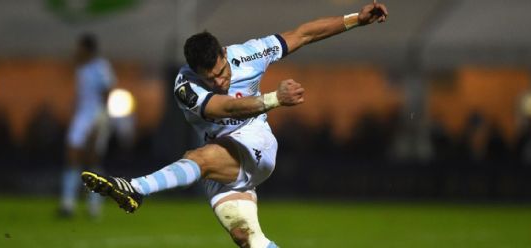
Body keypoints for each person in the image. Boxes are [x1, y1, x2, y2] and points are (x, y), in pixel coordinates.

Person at [82, 2, 388, 247]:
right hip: (222, 160)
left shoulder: (249, 54)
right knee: (248, 238)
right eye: (210, 78)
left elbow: (303, 34)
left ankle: (135, 187)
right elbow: (224, 107)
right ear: (194, 71)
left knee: (197, 158)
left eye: (221, 71)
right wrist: (273, 98)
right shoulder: (184, 85)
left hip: (255, 143)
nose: (219, 80)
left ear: (225, 54)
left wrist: (356, 19)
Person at [59, 33, 116, 218]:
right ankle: (68, 204)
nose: (76, 51)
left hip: (95, 116)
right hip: (81, 117)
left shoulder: (101, 67)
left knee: (93, 160)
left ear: (87, 49)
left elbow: (106, 93)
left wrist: (100, 122)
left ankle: (94, 205)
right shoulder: (81, 68)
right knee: (72, 156)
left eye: (80, 47)